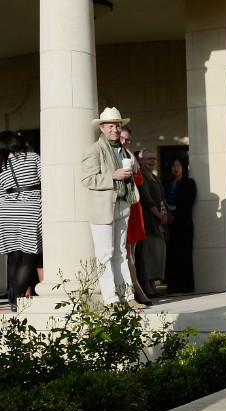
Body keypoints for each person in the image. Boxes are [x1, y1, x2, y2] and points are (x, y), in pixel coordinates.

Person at [81, 107, 144, 310]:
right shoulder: (94, 150)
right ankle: (111, 299)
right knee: (105, 254)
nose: (115, 129)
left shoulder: (124, 151)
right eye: (111, 126)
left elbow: (133, 173)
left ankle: (127, 295)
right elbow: (88, 179)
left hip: (123, 204)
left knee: (121, 253)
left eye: (117, 125)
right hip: (103, 208)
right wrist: (113, 176)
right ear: (102, 128)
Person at [0, 131, 42, 312]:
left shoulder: (1, 164)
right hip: (31, 206)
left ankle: (12, 298)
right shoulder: (32, 157)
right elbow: (45, 179)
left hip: (7, 210)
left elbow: (1, 191)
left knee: (13, 254)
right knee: (29, 254)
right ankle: (18, 296)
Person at [119, 127, 152, 306]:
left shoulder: (129, 155)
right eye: (122, 138)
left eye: (127, 139)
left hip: (134, 203)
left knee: (132, 252)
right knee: (125, 252)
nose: (124, 141)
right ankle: (133, 289)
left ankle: (136, 287)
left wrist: (131, 172)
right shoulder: (113, 153)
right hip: (122, 203)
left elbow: (140, 180)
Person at [137, 148, 168, 297]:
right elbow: (147, 199)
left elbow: (162, 198)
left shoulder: (155, 177)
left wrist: (165, 213)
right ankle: (146, 286)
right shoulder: (142, 176)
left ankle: (154, 285)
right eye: (148, 158)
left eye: (154, 158)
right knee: (148, 254)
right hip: (148, 222)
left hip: (159, 222)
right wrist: (158, 214)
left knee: (158, 253)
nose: (152, 161)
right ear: (141, 161)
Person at [163, 157, 196, 294]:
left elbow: (188, 203)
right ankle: (172, 285)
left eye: (178, 165)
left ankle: (186, 285)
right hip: (169, 223)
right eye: (173, 166)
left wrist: (175, 215)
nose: (176, 168)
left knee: (184, 254)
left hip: (183, 223)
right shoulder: (167, 183)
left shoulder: (189, 183)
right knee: (172, 255)